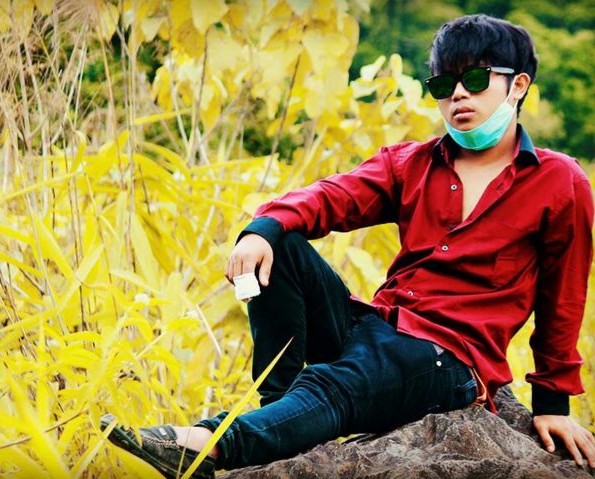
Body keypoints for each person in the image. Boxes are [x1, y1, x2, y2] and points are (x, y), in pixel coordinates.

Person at [100, 14, 595, 478]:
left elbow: (564, 299)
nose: (458, 95)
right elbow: (332, 196)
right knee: (281, 243)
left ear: (518, 85)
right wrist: (261, 230)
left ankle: (209, 444)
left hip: (448, 359)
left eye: (476, 79)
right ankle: (279, 412)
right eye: (444, 85)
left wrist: (553, 405)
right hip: (379, 325)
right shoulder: (412, 163)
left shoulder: (559, 181)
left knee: (336, 383)